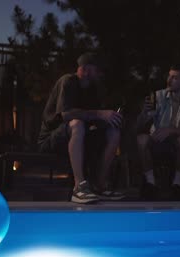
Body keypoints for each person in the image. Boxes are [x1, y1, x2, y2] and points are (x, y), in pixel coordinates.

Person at [38, 53, 124, 204]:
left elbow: (95, 119)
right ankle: (79, 187)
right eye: (98, 70)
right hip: (51, 139)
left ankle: (100, 185)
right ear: (85, 69)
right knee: (76, 122)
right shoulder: (68, 81)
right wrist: (99, 114)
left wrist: (109, 119)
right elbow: (66, 115)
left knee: (113, 131)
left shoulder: (92, 90)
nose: (100, 74)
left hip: (78, 138)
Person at [136, 64, 180, 200]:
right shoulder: (159, 96)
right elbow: (141, 124)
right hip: (157, 137)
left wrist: (170, 130)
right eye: (169, 76)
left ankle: (177, 184)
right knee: (141, 139)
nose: (169, 80)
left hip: (176, 140)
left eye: (174, 78)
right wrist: (144, 113)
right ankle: (150, 183)